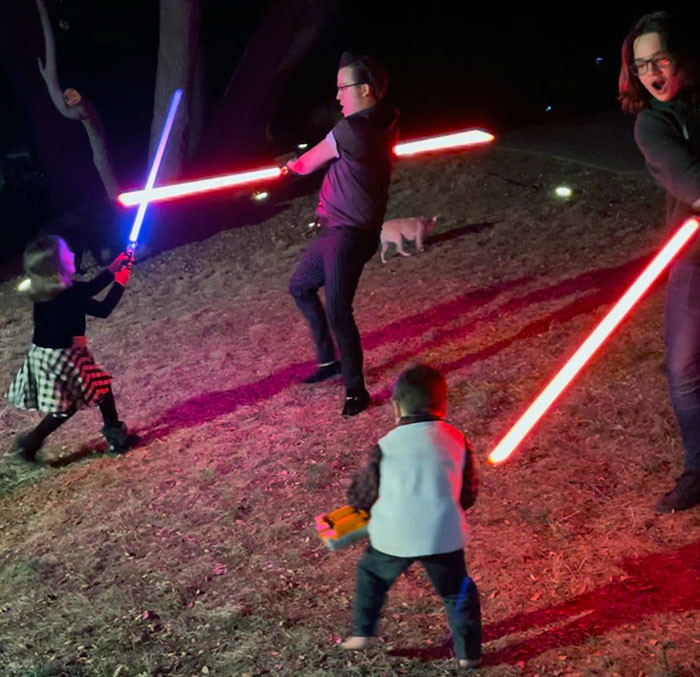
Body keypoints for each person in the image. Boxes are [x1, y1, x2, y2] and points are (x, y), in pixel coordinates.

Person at [340, 364, 481, 668]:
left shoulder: (385, 446)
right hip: (442, 534)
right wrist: (450, 507)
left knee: (371, 575)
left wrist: (362, 511)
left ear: (396, 407)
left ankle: (363, 632)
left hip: (393, 534)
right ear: (443, 404)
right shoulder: (458, 440)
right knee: (457, 593)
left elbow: (362, 495)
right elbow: (469, 491)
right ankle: (468, 654)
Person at [287, 51, 399, 417]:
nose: (337, 96)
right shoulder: (386, 119)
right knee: (300, 287)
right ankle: (328, 362)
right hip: (339, 229)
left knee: (338, 309)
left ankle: (356, 391)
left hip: (348, 234)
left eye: (343, 88)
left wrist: (290, 166)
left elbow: (306, 164)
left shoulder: (351, 130)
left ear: (365, 89)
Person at [620, 10, 700, 512]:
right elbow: (690, 181)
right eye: (641, 64)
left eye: (661, 59)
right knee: (684, 366)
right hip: (694, 255)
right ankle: (698, 469)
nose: (652, 73)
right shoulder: (653, 123)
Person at [6, 234, 138, 462]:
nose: (72, 254)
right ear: (57, 267)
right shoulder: (67, 295)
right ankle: (116, 439)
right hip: (64, 358)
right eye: (66, 254)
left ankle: (29, 445)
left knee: (75, 402)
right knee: (89, 396)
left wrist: (112, 269)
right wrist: (120, 282)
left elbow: (88, 289)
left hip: (45, 356)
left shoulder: (46, 289)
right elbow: (103, 309)